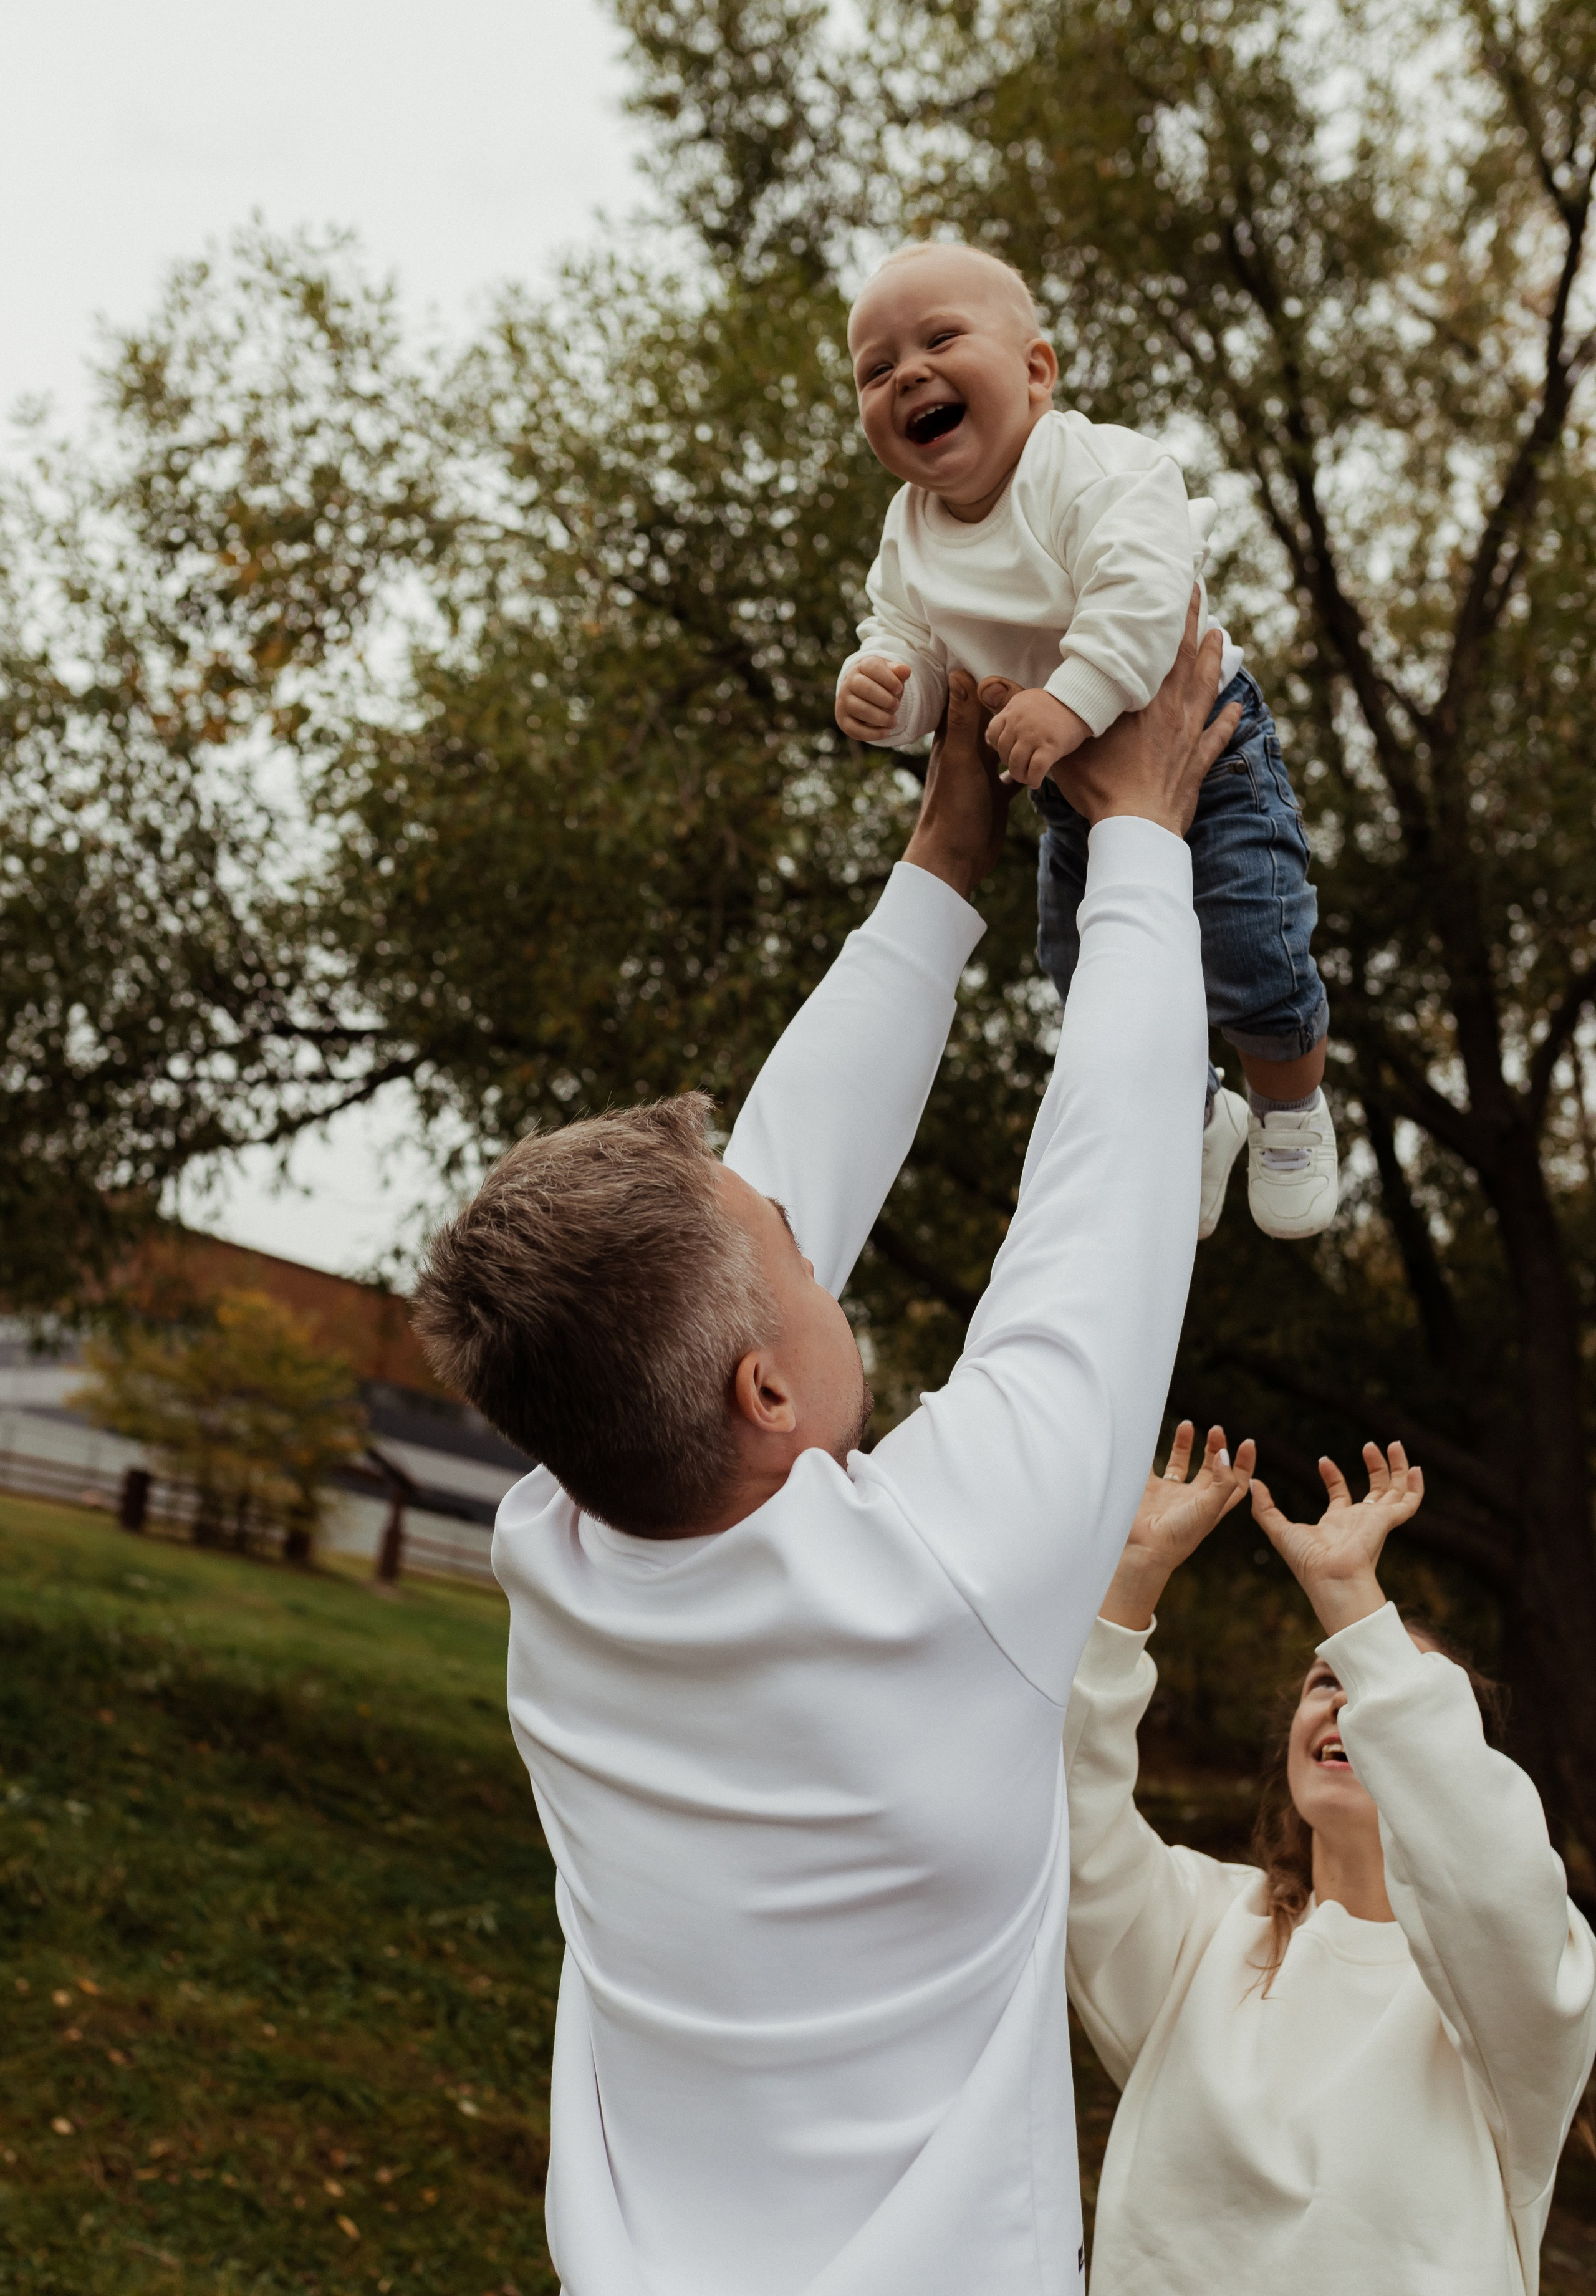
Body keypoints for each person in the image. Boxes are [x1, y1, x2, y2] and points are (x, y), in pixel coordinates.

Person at [410, 603, 1239, 2296]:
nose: (813, 1237)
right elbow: (1112, 1205)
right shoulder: (944, 1581)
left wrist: (946, 856)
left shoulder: (569, 1541)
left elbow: (754, 1217)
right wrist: (1144, 838)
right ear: (765, 1399)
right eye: (794, 1255)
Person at [835, 240, 1335, 1241]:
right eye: (876, 369)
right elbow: (912, 645)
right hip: (1067, 788)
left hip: (1207, 746)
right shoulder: (910, 527)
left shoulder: (1097, 466)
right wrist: (890, 694)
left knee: (1249, 948)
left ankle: (1288, 1107)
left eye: (939, 340)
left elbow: (1143, 597)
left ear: (1036, 369)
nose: (909, 376)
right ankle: (1193, 1109)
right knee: (1081, 965)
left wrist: (1069, 702)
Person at [1064, 1420, 1596, 2295]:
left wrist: (1352, 1600)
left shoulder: (1512, 2000)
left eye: (1383, 1686)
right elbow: (1064, 1816)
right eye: (1326, 1683)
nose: (1351, 1704)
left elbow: (1496, 1888)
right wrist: (1130, 1583)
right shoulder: (1201, 1929)